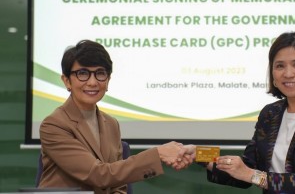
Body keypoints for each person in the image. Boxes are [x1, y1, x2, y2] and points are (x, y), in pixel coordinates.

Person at [198, 31, 295, 193]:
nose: (287, 73)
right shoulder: (270, 113)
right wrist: (199, 155)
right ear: (272, 72)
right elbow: (246, 170)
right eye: (280, 65)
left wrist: (252, 175)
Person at [38, 40, 193, 193]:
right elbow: (98, 175)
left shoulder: (111, 123)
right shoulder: (54, 124)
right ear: (67, 81)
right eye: (83, 74)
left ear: (108, 80)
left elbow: (119, 185)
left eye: (100, 73)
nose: (92, 82)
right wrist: (157, 154)